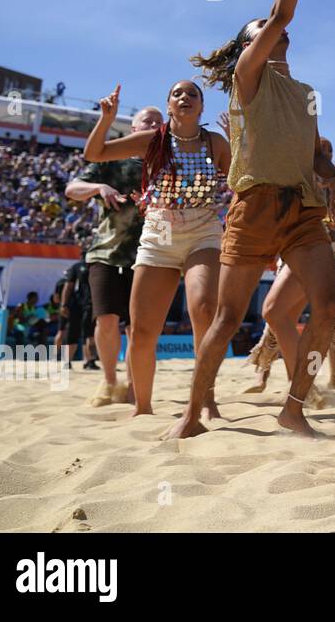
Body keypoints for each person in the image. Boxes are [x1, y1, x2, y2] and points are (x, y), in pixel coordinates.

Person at [168, 0, 335, 439]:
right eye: (260, 35)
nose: (270, 38)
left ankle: (293, 408)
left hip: (301, 210)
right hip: (253, 205)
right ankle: (193, 412)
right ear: (249, 45)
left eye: (271, 35)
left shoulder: (305, 94)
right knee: (226, 319)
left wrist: (333, 176)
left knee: (329, 306)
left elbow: (316, 157)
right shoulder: (247, 78)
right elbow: (278, 17)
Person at [82, 79, 230, 418]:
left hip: (203, 228)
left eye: (193, 93)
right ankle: (143, 407)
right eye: (177, 93)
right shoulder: (152, 140)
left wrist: (236, 139)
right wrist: (106, 118)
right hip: (160, 229)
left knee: (205, 309)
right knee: (144, 328)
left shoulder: (215, 142)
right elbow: (95, 153)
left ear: (202, 107)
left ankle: (206, 399)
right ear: (168, 105)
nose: (185, 97)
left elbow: (240, 180)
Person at [245, 137, 335, 396]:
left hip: (327, 253)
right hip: (294, 251)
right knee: (280, 317)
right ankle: (271, 376)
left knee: (304, 317)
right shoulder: (298, 176)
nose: (326, 153)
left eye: (330, 149)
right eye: (321, 150)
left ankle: (329, 381)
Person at [66, 103, 163, 406]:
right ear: (133, 130)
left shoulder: (167, 165)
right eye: (147, 121)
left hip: (149, 255)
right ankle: (109, 383)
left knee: (138, 325)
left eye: (159, 122)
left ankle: (135, 386)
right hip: (105, 252)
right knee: (106, 320)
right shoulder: (112, 159)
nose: (154, 125)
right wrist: (99, 188)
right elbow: (72, 188)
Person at [54, 256, 96, 367]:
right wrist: (64, 305)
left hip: (92, 304)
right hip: (76, 306)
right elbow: (68, 287)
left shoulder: (99, 266)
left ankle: (89, 360)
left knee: (89, 333)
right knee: (71, 333)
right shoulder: (77, 267)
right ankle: (67, 361)